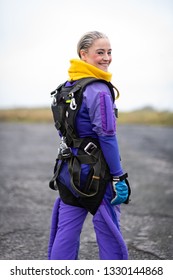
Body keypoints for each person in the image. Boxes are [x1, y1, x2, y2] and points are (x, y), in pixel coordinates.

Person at [48, 31, 130, 260]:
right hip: (96, 175)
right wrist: (118, 176)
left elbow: (63, 130)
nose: (106, 58)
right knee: (109, 235)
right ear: (83, 55)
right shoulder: (99, 89)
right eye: (100, 52)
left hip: (67, 171)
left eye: (109, 52)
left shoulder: (65, 88)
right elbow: (107, 136)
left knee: (65, 234)